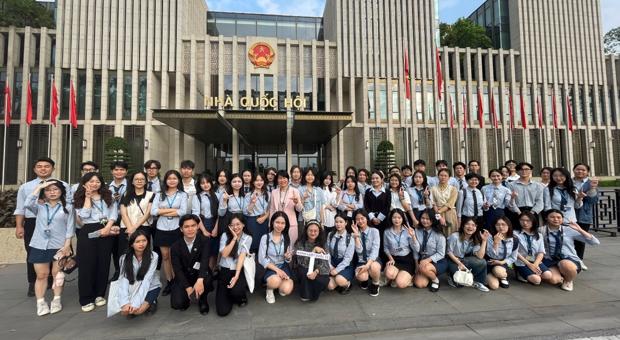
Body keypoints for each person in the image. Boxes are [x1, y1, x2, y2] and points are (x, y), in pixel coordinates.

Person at [14, 157, 68, 297]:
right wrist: (19, 226)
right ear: (34, 169)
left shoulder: (63, 185)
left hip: (57, 222)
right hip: (34, 222)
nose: (43, 169)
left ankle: (52, 279)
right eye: (39, 166)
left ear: (53, 168)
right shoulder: (26, 187)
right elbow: (21, 208)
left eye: (47, 166)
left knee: (57, 252)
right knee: (33, 253)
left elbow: (69, 205)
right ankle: (33, 282)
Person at [25, 180, 74, 316]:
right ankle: (40, 302)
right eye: (48, 190)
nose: (52, 192)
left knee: (58, 275)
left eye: (55, 189)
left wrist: (67, 245)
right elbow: (27, 203)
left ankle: (56, 300)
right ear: (44, 193)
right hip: (39, 245)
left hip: (59, 246)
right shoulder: (39, 206)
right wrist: (39, 187)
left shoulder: (68, 207)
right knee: (41, 275)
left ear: (61, 191)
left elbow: (70, 227)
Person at [74, 172, 120, 312]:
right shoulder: (79, 197)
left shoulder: (108, 196)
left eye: (97, 181)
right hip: (88, 230)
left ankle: (99, 294)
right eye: (91, 181)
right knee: (87, 264)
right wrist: (88, 198)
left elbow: (113, 214)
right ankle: (86, 298)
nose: (94, 184)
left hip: (106, 228)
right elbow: (84, 216)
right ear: (85, 183)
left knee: (103, 263)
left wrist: (107, 228)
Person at [541, 209, 600, 291]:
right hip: (550, 259)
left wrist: (580, 230)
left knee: (565, 264)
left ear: (562, 219)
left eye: (559, 217)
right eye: (552, 217)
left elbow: (595, 242)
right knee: (554, 280)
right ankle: (561, 275)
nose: (556, 219)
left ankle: (568, 280)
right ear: (546, 218)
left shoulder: (569, 230)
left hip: (568, 258)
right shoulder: (541, 230)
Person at [151, 170, 189, 297]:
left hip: (176, 228)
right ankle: (169, 281)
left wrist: (164, 210)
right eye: (169, 178)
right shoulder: (159, 194)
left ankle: (179, 280)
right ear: (165, 180)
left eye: (174, 178)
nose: (172, 180)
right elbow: (154, 211)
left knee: (175, 256)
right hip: (161, 228)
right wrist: (174, 210)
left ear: (178, 180)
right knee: (165, 256)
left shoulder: (183, 195)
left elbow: (183, 212)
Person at [170, 215, 213, 314]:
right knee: (177, 304)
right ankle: (187, 297)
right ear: (181, 229)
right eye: (186, 226)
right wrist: (188, 287)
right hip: (184, 277)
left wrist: (200, 279)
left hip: (200, 274)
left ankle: (203, 299)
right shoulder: (175, 247)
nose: (190, 229)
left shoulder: (204, 241)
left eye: (193, 225)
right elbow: (177, 269)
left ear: (198, 227)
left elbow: (205, 261)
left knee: (207, 279)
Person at [117, 229, 160, 317]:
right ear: (132, 244)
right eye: (137, 241)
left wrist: (136, 304)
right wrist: (124, 303)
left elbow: (147, 280)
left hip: (150, 286)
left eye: (144, 240)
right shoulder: (124, 258)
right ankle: (137, 302)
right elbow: (123, 279)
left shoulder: (154, 256)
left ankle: (152, 301)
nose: (141, 244)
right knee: (125, 312)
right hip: (133, 286)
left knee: (138, 311)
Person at [217, 213, 252, 316]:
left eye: (238, 224)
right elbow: (224, 254)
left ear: (243, 224)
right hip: (225, 269)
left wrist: (236, 276)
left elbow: (241, 257)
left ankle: (240, 295)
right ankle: (228, 293)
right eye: (232, 225)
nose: (235, 227)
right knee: (222, 311)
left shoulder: (247, 238)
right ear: (229, 226)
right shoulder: (224, 235)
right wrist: (234, 238)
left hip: (238, 269)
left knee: (236, 292)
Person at [446, 217, 491, 292]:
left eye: (473, 225)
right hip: (453, 260)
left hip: (465, 261)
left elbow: (480, 256)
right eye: (467, 224)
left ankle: (478, 282)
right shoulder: (454, 236)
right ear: (463, 226)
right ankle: (451, 276)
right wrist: (459, 263)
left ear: (476, 227)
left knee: (482, 262)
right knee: (460, 284)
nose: (470, 227)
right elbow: (448, 252)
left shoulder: (475, 238)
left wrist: (484, 241)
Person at [259, 212, 294, 304]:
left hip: (283, 266)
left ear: (286, 225)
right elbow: (262, 259)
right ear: (272, 223)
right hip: (270, 267)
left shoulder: (286, 238)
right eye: (277, 222)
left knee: (287, 289)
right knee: (275, 281)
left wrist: (288, 257)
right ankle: (270, 289)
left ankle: (278, 285)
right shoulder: (265, 238)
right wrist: (277, 271)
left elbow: (287, 259)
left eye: (283, 223)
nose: (280, 225)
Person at [119, 171, 155, 259]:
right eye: (137, 179)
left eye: (142, 179)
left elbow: (147, 213)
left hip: (143, 228)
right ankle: (125, 272)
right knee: (125, 253)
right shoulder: (125, 194)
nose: (139, 181)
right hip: (126, 228)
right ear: (132, 182)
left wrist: (134, 228)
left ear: (146, 181)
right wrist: (130, 228)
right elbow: (123, 213)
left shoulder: (151, 195)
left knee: (142, 254)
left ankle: (142, 272)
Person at [294, 220, 330, 302]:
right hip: (304, 268)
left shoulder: (323, 243)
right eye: (310, 230)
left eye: (315, 231)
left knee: (322, 279)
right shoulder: (300, 243)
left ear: (319, 231)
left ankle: (315, 292)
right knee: (304, 272)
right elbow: (302, 262)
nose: (313, 233)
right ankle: (305, 294)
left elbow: (325, 263)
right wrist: (313, 251)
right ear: (306, 231)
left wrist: (316, 271)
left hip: (318, 269)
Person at [412, 209, 447, 292]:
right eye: (423, 218)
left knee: (424, 267)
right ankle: (428, 274)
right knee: (420, 284)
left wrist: (427, 260)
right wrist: (416, 264)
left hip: (438, 261)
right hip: (422, 261)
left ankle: (435, 280)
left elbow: (441, 254)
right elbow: (415, 250)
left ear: (433, 220)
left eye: (428, 219)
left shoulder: (439, 234)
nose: (424, 221)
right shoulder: (417, 231)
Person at [572, 163, 599, 270]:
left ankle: (579, 259)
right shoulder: (568, 182)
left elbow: (593, 200)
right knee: (567, 238)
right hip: (569, 214)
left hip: (583, 215)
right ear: (573, 170)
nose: (580, 171)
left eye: (583, 170)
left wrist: (592, 188)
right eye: (578, 169)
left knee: (580, 239)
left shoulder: (590, 183)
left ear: (587, 172)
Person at [514, 211, 553, 285]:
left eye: (528, 220)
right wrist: (529, 264)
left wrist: (535, 264)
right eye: (522, 220)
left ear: (533, 221)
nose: (525, 223)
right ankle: (520, 272)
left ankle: (530, 273)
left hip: (535, 260)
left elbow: (541, 252)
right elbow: (515, 252)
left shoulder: (539, 235)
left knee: (548, 275)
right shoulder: (515, 233)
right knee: (536, 280)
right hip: (522, 261)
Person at [191, 173, 220, 270]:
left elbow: (220, 213)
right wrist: (203, 231)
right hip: (203, 224)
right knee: (204, 251)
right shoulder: (197, 197)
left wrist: (216, 228)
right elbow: (196, 214)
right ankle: (203, 274)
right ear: (199, 185)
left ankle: (211, 273)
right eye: (202, 183)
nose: (205, 185)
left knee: (214, 251)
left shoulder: (217, 195)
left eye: (207, 182)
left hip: (215, 223)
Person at [383, 209, 416, 289]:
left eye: (399, 217)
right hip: (394, 258)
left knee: (401, 284)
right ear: (391, 218)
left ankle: (408, 277)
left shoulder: (408, 230)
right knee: (389, 274)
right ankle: (397, 276)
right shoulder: (387, 232)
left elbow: (416, 249)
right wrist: (391, 258)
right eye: (394, 217)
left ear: (403, 219)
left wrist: (413, 236)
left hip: (406, 259)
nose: (397, 220)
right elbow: (386, 247)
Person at [268, 170, 303, 246]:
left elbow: (299, 209)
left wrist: (297, 203)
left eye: (284, 178)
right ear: (277, 180)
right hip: (277, 224)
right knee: (277, 245)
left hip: (291, 224)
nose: (282, 180)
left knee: (290, 245)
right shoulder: (274, 192)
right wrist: (270, 224)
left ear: (288, 179)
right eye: (280, 178)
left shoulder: (295, 191)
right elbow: (272, 209)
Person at [352, 209, 382, 296]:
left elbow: (375, 251)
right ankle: (364, 280)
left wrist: (367, 265)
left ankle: (375, 283)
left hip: (373, 260)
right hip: (361, 260)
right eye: (358, 219)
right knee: (361, 276)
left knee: (374, 267)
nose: (360, 221)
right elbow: (359, 252)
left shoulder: (374, 231)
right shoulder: (354, 234)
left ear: (367, 218)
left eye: (362, 218)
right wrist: (356, 236)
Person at [507, 162, 544, 231]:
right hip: (517, 212)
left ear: (531, 171)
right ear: (517, 171)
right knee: (517, 232)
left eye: (526, 169)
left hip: (533, 212)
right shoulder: (511, 185)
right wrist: (519, 213)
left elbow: (540, 201)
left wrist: (532, 213)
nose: (524, 171)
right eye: (521, 169)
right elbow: (510, 201)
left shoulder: (538, 185)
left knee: (533, 232)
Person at [485, 217, 518, 290]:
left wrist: (501, 262)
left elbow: (513, 257)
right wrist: (496, 243)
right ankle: (495, 274)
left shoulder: (514, 239)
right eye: (498, 225)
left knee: (498, 271)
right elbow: (491, 255)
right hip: (489, 263)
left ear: (508, 226)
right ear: (494, 226)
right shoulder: (490, 237)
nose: (501, 227)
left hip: (502, 264)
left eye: (503, 224)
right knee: (494, 286)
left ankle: (502, 276)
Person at [109, 160, 129, 281]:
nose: (119, 172)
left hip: (126, 219)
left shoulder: (131, 185)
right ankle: (117, 270)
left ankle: (127, 271)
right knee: (114, 249)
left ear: (126, 171)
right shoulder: (106, 186)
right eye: (116, 169)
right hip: (111, 220)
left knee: (126, 247)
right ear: (112, 171)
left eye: (122, 169)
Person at [363, 171, 391, 256]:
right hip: (371, 220)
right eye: (373, 178)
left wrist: (379, 218)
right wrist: (372, 218)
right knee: (371, 240)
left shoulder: (387, 191)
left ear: (382, 179)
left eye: (377, 178)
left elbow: (387, 206)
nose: (374, 180)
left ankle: (382, 260)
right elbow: (366, 206)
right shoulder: (368, 191)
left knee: (382, 240)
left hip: (383, 221)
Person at [327, 213, 356, 294]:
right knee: (330, 286)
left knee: (339, 280)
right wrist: (330, 266)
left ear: (346, 223)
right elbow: (327, 252)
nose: (338, 224)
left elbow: (348, 259)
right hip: (333, 262)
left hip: (345, 264)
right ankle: (337, 281)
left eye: (341, 222)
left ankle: (347, 284)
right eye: (336, 222)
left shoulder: (350, 237)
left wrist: (336, 270)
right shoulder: (330, 235)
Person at [244, 172, 270, 254]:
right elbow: (246, 212)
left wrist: (265, 217)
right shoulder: (248, 195)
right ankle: (252, 264)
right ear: (253, 182)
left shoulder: (268, 194)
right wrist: (252, 203)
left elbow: (271, 208)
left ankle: (261, 266)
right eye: (257, 180)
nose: (259, 182)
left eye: (261, 180)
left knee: (263, 245)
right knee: (253, 245)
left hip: (265, 221)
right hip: (252, 221)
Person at [430, 168, 458, 236]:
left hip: (449, 213)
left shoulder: (453, 189)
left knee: (451, 234)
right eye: (441, 175)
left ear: (449, 177)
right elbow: (433, 203)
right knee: (438, 233)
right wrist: (439, 216)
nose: (443, 177)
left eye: (445, 176)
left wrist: (438, 212)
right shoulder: (433, 189)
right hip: (436, 213)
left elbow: (450, 203)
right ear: (438, 176)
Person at [218, 173, 246, 240]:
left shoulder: (245, 195)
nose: (237, 183)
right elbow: (221, 213)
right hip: (229, 221)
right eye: (234, 181)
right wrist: (224, 201)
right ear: (230, 183)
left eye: (239, 181)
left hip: (241, 222)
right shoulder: (225, 194)